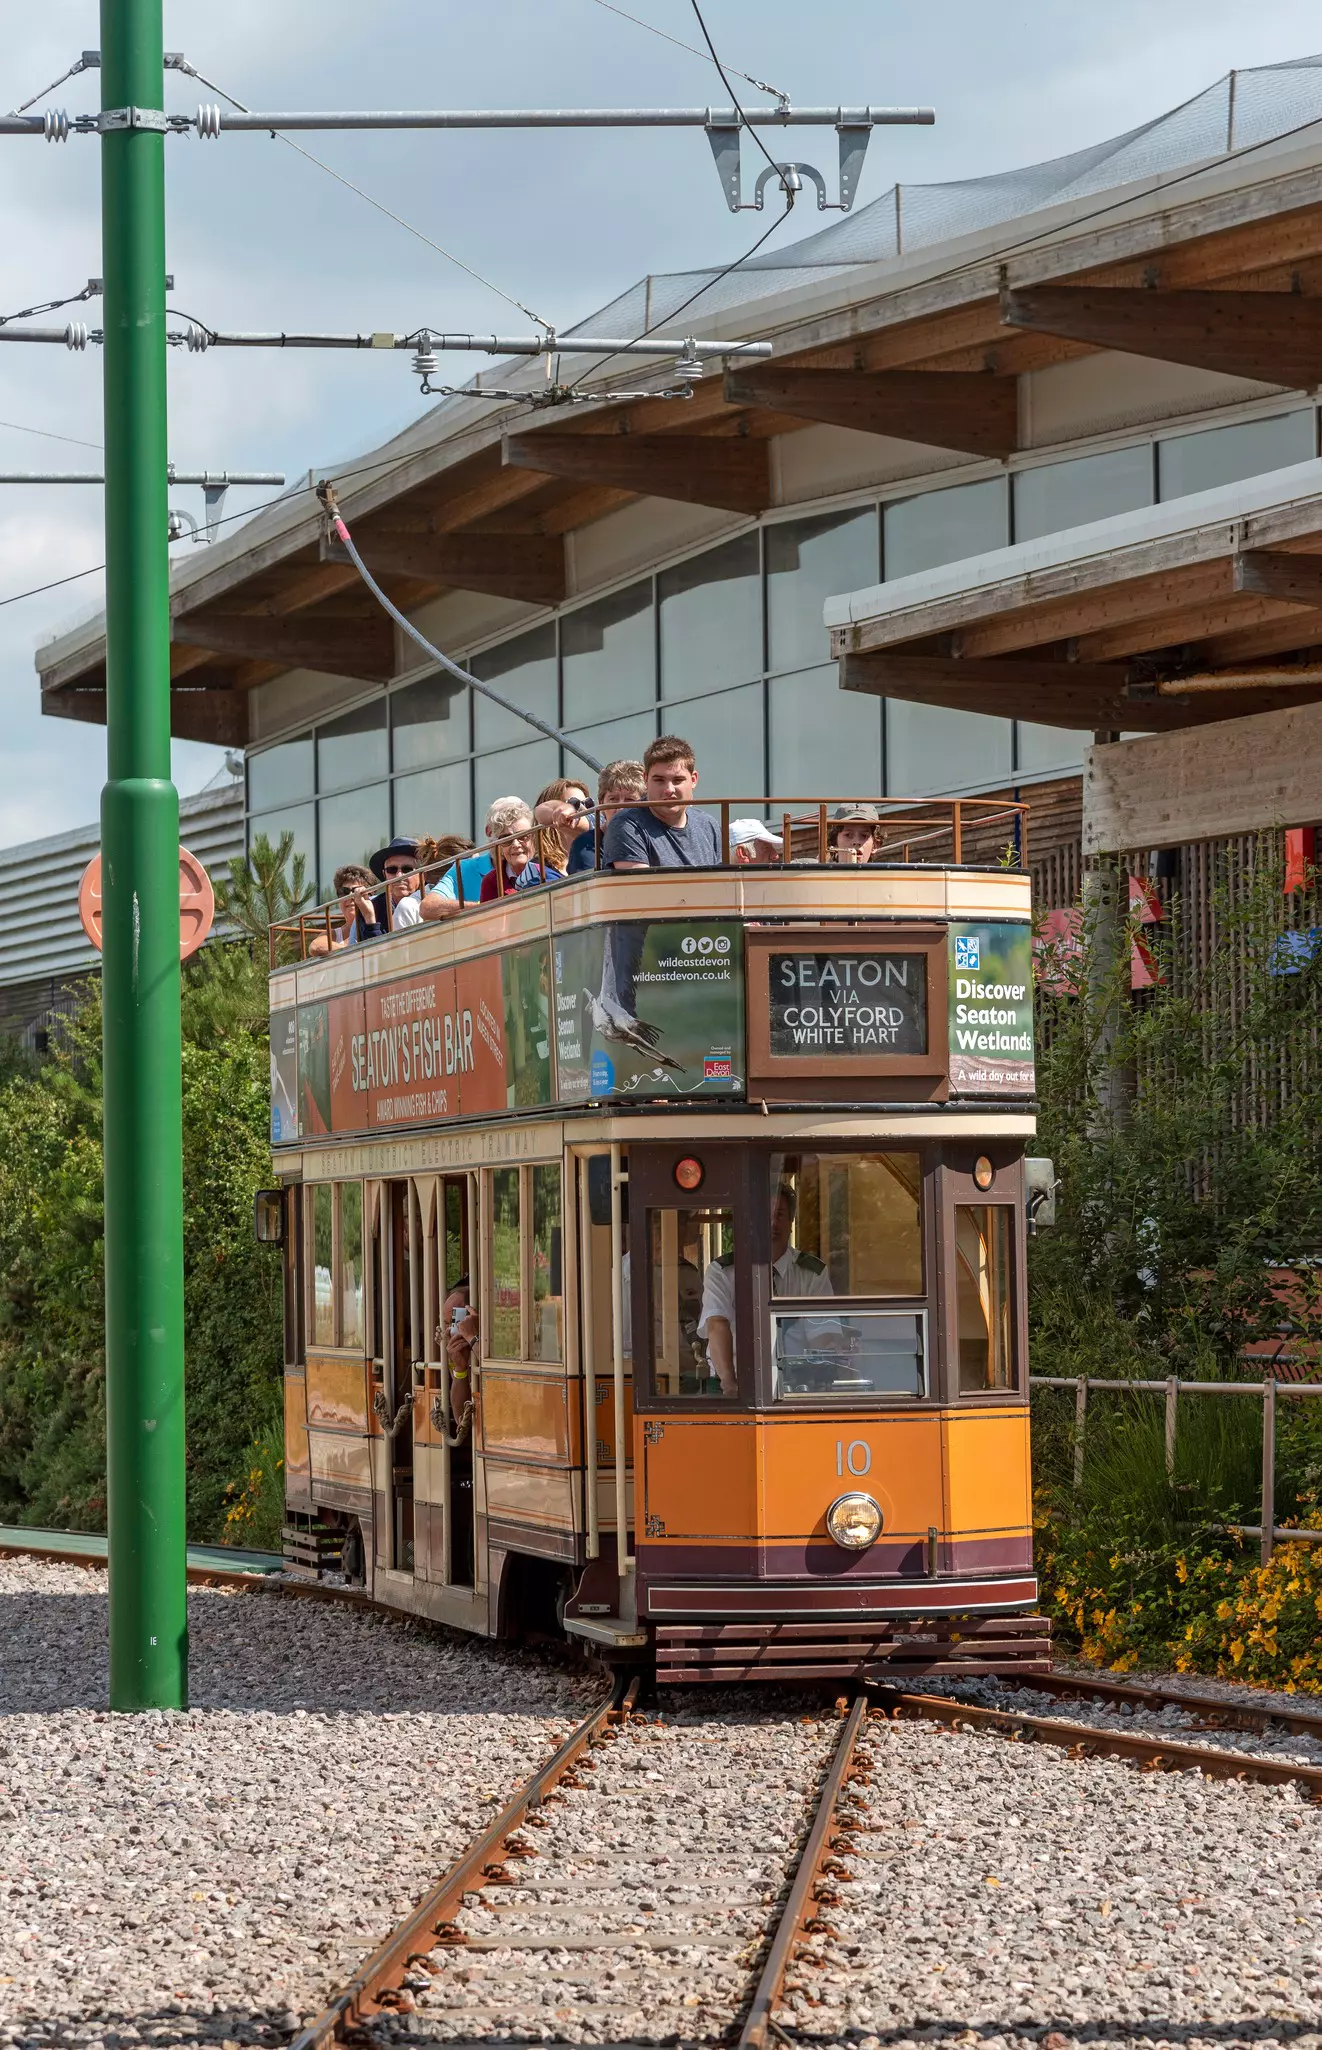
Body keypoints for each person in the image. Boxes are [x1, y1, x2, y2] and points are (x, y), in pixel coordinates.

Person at [698, 1183, 835, 1396]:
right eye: (765, 1215)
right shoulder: (722, 1271)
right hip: (731, 1381)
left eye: (780, 1214)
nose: (773, 1222)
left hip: (796, 1382)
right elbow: (717, 1325)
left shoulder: (812, 1272)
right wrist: (730, 1384)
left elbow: (822, 1335)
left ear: (791, 1222)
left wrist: (823, 1373)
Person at [602, 735, 721, 870]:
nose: (669, 790)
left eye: (678, 780)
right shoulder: (626, 825)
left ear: (693, 780)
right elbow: (639, 887)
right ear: (645, 780)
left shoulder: (708, 825)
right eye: (659, 780)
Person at [419, 800, 515, 920]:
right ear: (489, 832)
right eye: (507, 837)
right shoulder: (464, 868)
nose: (516, 844)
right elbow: (428, 907)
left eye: (524, 836)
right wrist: (486, 909)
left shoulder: (536, 866)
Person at [567, 759, 646, 875]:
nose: (620, 808)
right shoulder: (584, 846)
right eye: (613, 799)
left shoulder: (653, 838)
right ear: (602, 804)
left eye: (629, 800)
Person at [479, 799, 545, 900]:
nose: (515, 844)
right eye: (506, 839)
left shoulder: (549, 869)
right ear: (499, 846)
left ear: (534, 838)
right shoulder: (491, 882)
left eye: (523, 836)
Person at [308, 862, 378, 954]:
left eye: (357, 891)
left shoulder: (381, 923)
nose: (350, 897)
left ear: (371, 895)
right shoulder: (335, 935)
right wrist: (353, 951)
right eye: (343, 892)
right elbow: (316, 946)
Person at [532, 777, 593, 876]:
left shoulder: (598, 852)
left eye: (588, 804)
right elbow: (540, 810)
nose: (584, 809)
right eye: (574, 804)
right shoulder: (536, 869)